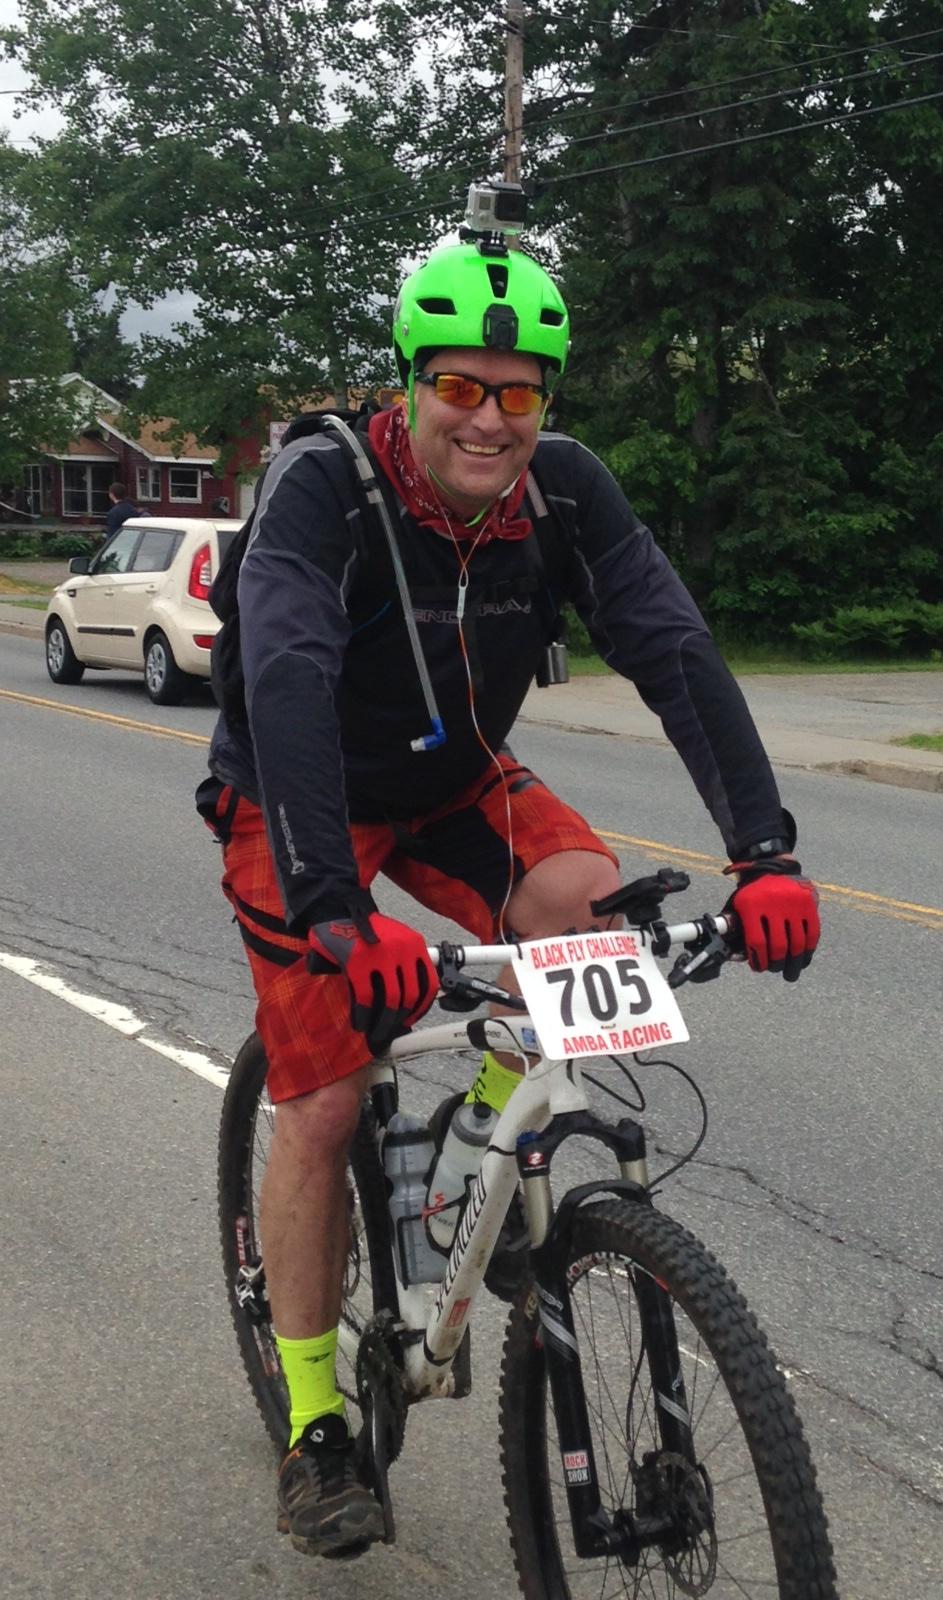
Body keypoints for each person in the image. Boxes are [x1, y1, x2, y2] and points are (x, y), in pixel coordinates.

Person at [196, 235, 822, 1560]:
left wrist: (764, 854)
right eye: (461, 388)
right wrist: (333, 906)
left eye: (519, 394)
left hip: (459, 779)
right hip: (296, 793)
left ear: (545, 400)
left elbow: (673, 649)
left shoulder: (565, 496)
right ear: (411, 381)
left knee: (582, 899)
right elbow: (291, 682)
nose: (489, 419)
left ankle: (481, 1157)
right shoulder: (324, 485)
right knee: (316, 1099)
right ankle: (317, 1424)